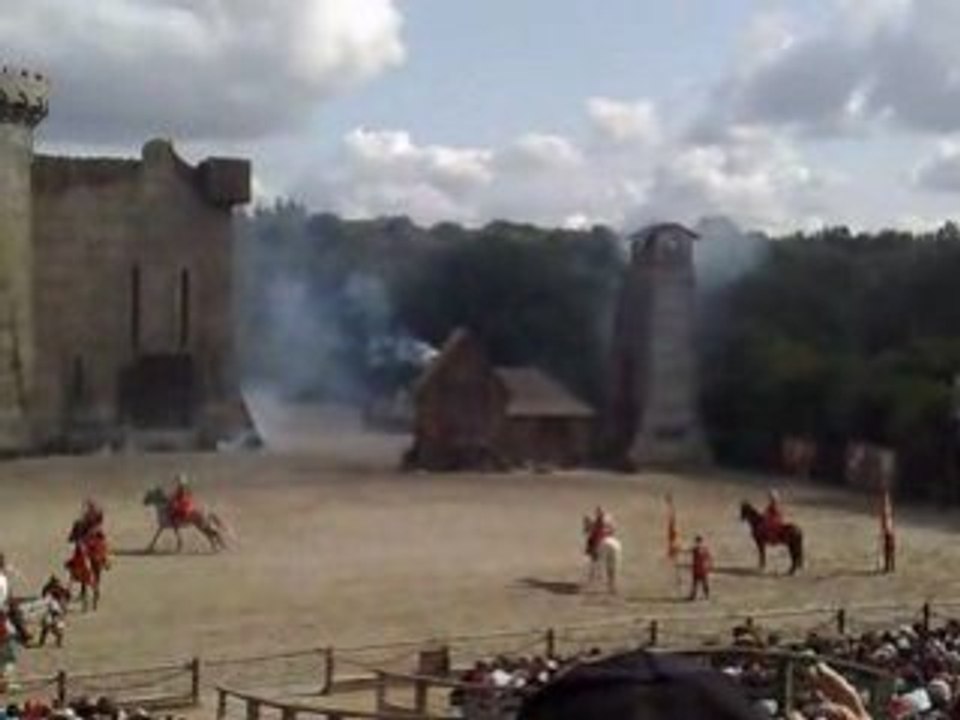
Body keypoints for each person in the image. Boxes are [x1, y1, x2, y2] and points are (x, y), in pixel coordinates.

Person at [689, 536, 713, 601]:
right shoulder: (695, 549)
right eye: (697, 542)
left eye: (699, 542)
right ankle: (693, 596)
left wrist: (709, 566)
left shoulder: (703, 550)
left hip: (702, 569)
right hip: (697, 569)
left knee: (704, 583)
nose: (698, 543)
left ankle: (706, 595)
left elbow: (709, 558)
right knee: (695, 584)